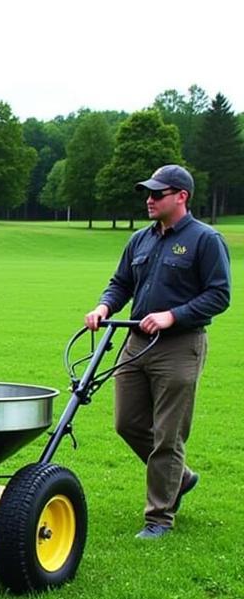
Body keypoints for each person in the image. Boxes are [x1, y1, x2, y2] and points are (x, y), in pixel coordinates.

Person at [84, 164, 231, 540]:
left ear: (181, 196)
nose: (149, 199)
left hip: (180, 346)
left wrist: (172, 316)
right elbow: (121, 283)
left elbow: (219, 295)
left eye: (157, 193)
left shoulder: (205, 240)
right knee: (127, 423)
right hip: (136, 342)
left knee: (168, 434)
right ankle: (178, 478)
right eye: (148, 193)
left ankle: (159, 518)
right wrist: (104, 307)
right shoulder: (141, 240)